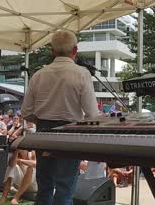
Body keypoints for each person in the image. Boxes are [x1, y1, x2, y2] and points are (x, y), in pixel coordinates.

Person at [21, 31, 99, 205]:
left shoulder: (39, 75)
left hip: (43, 135)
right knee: (64, 190)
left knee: (44, 189)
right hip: (70, 135)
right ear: (75, 50)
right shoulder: (82, 73)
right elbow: (93, 114)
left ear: (52, 50)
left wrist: (43, 121)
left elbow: (26, 112)